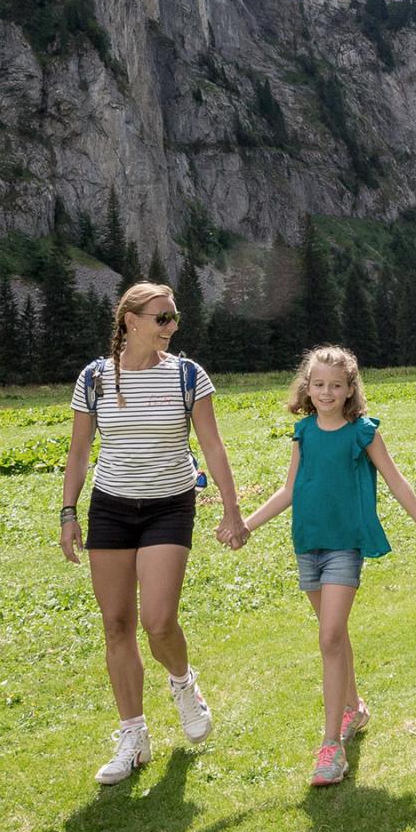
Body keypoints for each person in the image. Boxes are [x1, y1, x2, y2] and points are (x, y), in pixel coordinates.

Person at [59, 281, 249, 786]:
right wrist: (67, 512)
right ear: (131, 321)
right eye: (162, 318)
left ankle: (184, 684)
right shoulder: (95, 378)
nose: (171, 326)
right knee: (116, 624)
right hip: (111, 509)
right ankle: (133, 736)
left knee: (159, 621)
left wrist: (232, 511)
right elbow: (79, 452)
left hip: (169, 505)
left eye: (174, 318)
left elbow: (213, 445)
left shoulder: (188, 376)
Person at [241, 345, 416, 787]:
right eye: (317, 384)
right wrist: (247, 525)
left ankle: (330, 749)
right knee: (333, 638)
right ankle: (354, 710)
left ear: (349, 389)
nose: (325, 392)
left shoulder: (363, 433)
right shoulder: (303, 432)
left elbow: (397, 481)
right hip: (308, 543)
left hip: (345, 547)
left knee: (329, 636)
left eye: (335, 386)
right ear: (307, 386)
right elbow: (288, 491)